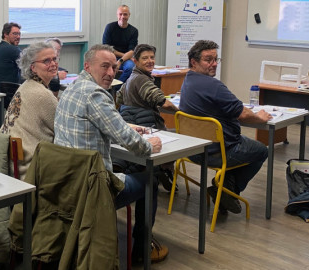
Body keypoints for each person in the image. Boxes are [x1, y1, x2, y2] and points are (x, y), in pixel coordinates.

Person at [53, 44, 168, 264]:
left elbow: (103, 123)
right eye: (104, 66)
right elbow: (131, 143)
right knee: (150, 181)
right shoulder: (96, 94)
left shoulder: (72, 89)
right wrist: (149, 145)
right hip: (93, 189)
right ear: (87, 66)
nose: (110, 73)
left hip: (66, 182)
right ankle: (142, 251)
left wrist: (125, 126)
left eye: (114, 67)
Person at [179, 40, 270, 214]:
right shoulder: (213, 86)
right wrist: (260, 117)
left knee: (245, 144)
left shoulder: (187, 81)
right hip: (218, 152)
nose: (214, 64)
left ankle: (222, 188)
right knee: (261, 150)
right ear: (194, 62)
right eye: (208, 60)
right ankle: (227, 192)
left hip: (192, 151)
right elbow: (243, 114)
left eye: (216, 59)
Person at [115, 44, 179, 191]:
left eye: (152, 57)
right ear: (136, 61)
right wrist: (179, 110)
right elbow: (162, 102)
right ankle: (164, 169)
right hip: (147, 127)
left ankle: (162, 170)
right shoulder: (143, 80)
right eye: (145, 58)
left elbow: (118, 99)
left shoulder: (131, 78)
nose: (150, 61)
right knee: (177, 140)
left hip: (131, 125)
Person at [0, 42, 59, 179]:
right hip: (29, 168)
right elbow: (63, 129)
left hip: (10, 164)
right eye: (46, 61)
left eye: (54, 59)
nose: (53, 64)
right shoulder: (42, 94)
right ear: (33, 68)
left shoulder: (25, 86)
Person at [102, 5, 138, 82]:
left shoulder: (134, 31)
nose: (122, 17)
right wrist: (124, 56)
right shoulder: (110, 27)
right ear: (117, 15)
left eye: (125, 14)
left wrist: (121, 61)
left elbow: (132, 51)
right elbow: (107, 49)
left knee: (131, 68)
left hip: (125, 59)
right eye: (120, 14)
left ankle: (117, 89)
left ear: (129, 15)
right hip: (110, 57)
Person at [0, 22, 22, 91]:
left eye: (19, 34)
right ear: (6, 34)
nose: (18, 37)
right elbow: (29, 66)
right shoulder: (13, 50)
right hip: (9, 93)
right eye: (15, 34)